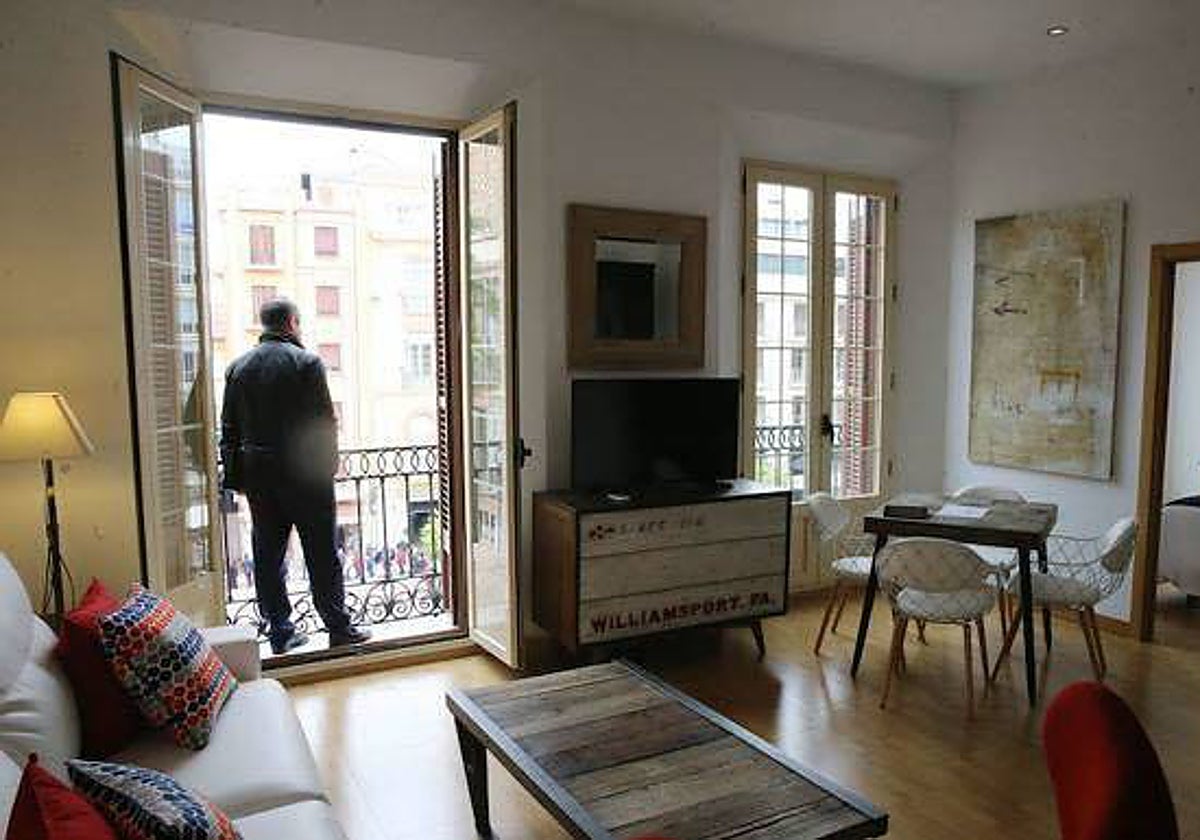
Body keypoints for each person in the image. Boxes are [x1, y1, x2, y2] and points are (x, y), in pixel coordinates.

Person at [220, 298, 371, 654]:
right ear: (291, 323)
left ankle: (280, 631)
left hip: (259, 477)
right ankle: (337, 627)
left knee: (268, 556)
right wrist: (327, 468)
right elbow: (323, 423)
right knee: (322, 554)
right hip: (305, 476)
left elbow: (229, 428)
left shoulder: (237, 368)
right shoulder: (307, 363)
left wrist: (236, 478)